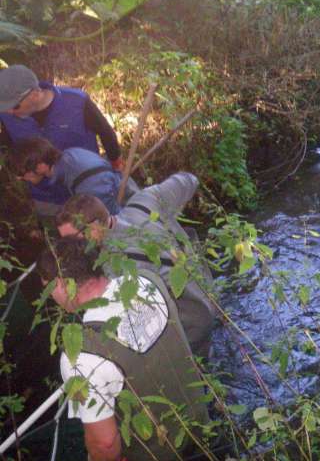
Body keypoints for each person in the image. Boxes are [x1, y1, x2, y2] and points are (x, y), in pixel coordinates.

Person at [37, 238, 210, 461]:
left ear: (61, 284)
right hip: (203, 426)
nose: (52, 298)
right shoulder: (148, 280)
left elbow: (105, 444)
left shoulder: (80, 356)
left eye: (48, 289)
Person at [55, 172, 216, 357]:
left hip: (189, 328)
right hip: (207, 293)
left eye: (72, 239)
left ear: (94, 228)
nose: (70, 247)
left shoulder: (114, 270)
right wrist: (171, 215)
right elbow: (189, 179)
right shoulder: (145, 201)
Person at [0, 65, 124, 215]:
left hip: (86, 191)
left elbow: (106, 133)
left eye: (13, 106)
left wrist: (116, 166)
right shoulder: (7, 116)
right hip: (47, 199)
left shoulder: (77, 102)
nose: (8, 112)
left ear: (33, 94)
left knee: (103, 230)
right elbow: (9, 148)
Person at [9, 136, 127, 215]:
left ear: (41, 165)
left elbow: (112, 218)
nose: (21, 178)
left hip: (123, 204)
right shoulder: (70, 155)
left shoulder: (86, 183)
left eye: (23, 173)